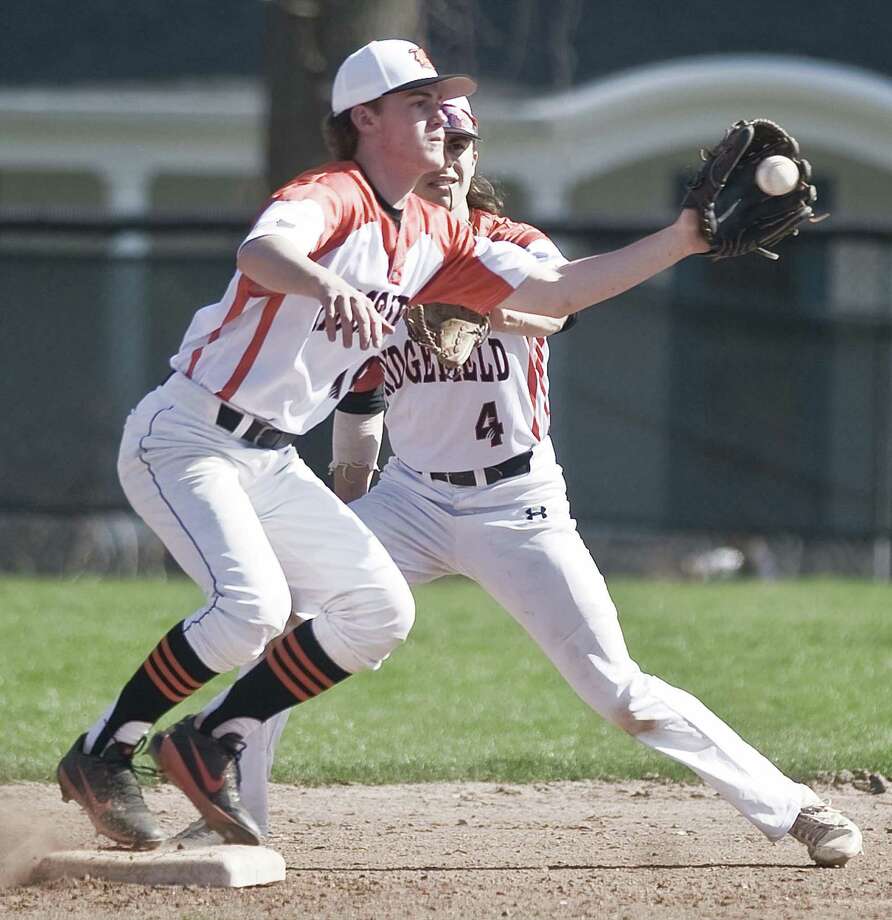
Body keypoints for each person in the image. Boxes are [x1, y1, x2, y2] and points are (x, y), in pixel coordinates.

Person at [57, 37, 721, 851]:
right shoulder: (331, 192)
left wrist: (683, 238)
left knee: (378, 609)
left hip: (267, 458)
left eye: (443, 103)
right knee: (254, 609)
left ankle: (209, 737)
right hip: (187, 436)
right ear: (364, 119)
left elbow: (557, 291)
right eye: (418, 103)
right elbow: (261, 251)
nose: (441, 117)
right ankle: (103, 751)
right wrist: (329, 282)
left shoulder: (437, 232)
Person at [201, 96, 862, 868]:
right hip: (412, 497)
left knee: (620, 693)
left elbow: (560, 299)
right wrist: (349, 499)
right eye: (435, 140)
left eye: (462, 142)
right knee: (289, 617)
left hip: (516, 504)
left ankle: (794, 808)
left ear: (476, 158)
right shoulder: (379, 255)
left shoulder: (507, 243)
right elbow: (364, 394)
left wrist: (494, 310)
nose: (448, 156)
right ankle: (225, 806)